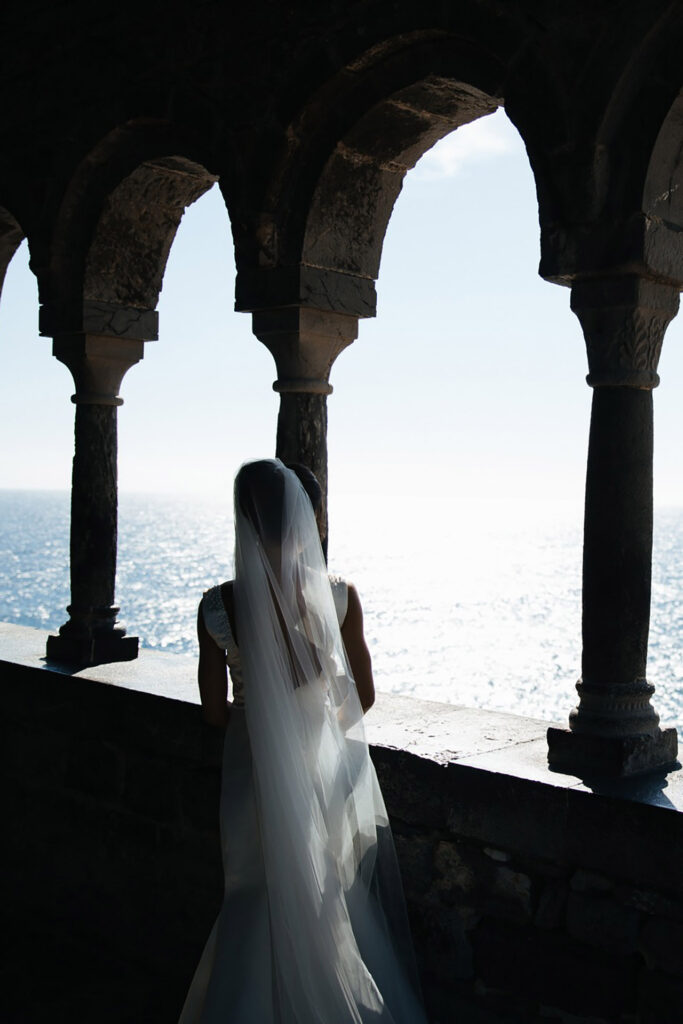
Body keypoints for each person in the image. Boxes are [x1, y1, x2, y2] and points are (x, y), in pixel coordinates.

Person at [179, 458, 427, 1024]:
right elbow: (362, 697)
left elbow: (214, 714)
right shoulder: (340, 599)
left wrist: (261, 716)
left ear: (244, 518)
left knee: (251, 895)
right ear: (309, 517)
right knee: (323, 900)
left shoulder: (217, 609)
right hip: (319, 769)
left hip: (252, 774)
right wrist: (312, 723)